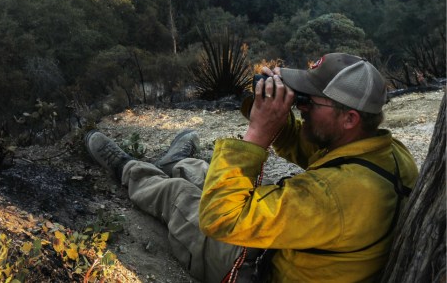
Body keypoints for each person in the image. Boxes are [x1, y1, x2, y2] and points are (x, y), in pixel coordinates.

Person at [85, 53, 418, 282]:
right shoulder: (384, 153)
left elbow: (220, 218)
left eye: (309, 102)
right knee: (206, 174)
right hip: (300, 239)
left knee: (180, 195)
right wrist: (263, 103)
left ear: (349, 118)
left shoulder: (334, 195)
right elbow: (304, 145)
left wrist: (257, 134)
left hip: (256, 268)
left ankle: (129, 168)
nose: (301, 106)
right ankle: (179, 162)